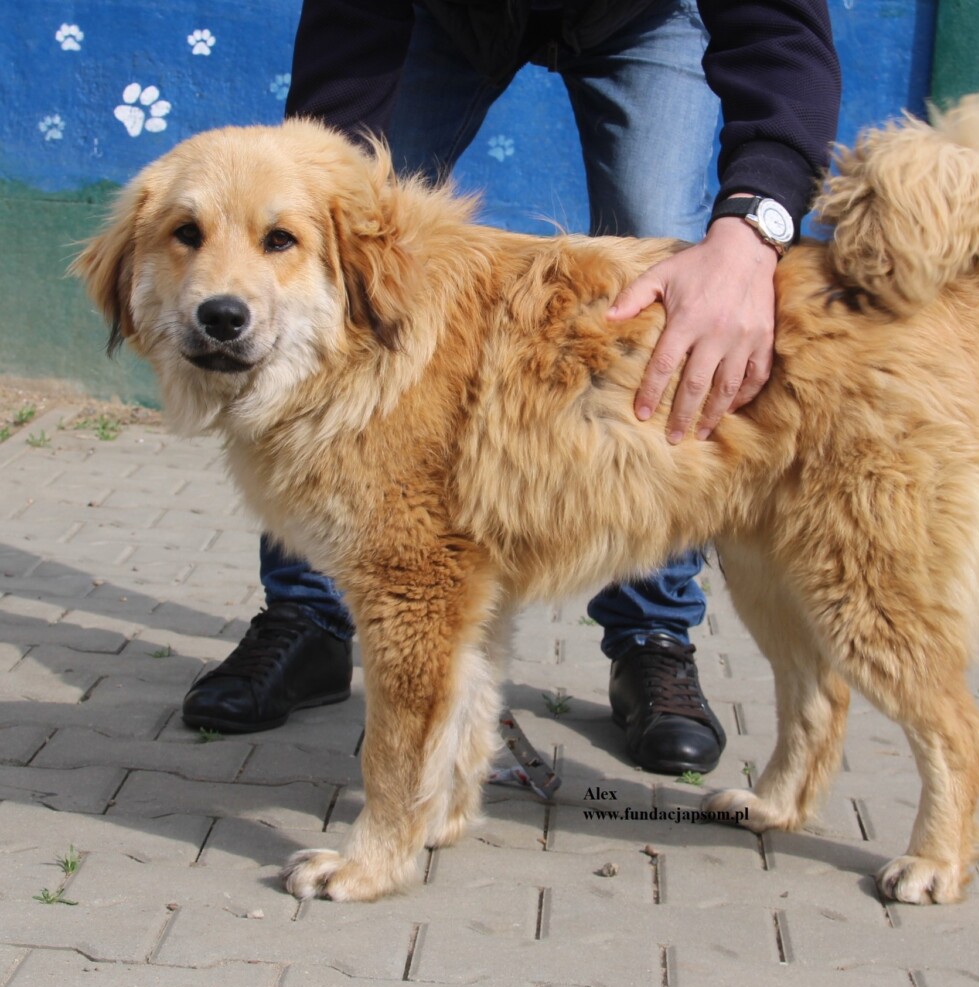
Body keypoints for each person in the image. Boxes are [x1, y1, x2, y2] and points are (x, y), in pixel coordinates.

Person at [180, 0, 841, 776]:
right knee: (341, 262)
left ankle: (651, 632)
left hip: (641, 12)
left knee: (660, 239)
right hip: (437, 12)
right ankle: (309, 611)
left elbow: (776, 25)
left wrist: (754, 227)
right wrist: (308, 192)